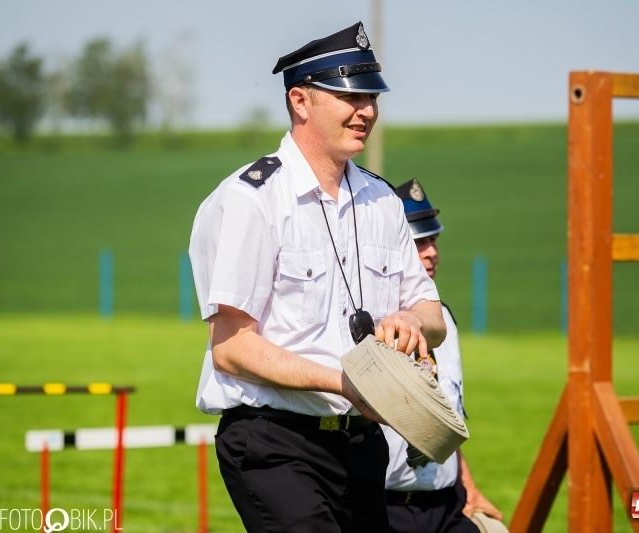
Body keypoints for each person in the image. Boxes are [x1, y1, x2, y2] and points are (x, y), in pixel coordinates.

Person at [188, 22, 446, 533]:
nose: (367, 110)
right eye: (350, 95)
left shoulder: (383, 200)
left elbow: (432, 313)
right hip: (275, 442)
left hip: (363, 444)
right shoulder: (251, 199)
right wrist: (346, 384)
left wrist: (409, 321)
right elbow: (231, 347)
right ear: (300, 101)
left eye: (371, 96)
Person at [384, 179, 503, 533]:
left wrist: (469, 487)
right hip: (384, 508)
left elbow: (447, 415)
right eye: (418, 242)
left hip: (447, 504)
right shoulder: (370, 322)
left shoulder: (445, 319)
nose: (431, 251)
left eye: (432, 239)